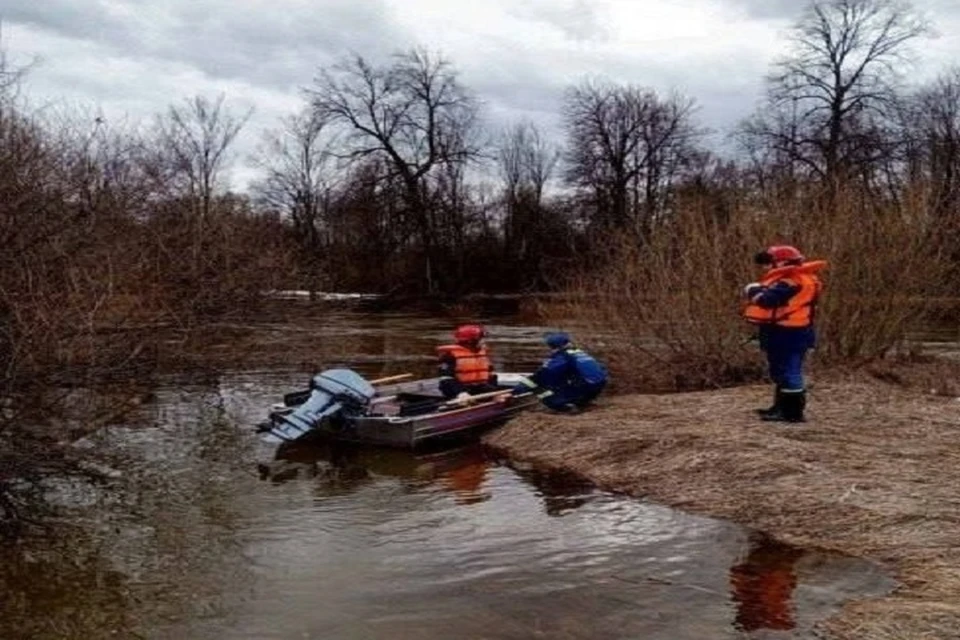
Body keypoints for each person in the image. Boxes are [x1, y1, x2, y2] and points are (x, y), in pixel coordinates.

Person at [742, 245, 827, 423]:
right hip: (790, 332)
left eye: (768, 263)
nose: (765, 267)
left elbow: (767, 301)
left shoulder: (791, 281)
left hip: (788, 333)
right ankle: (780, 408)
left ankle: (792, 413)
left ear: (782, 262)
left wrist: (752, 290)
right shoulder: (800, 278)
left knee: (790, 371)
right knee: (781, 370)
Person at [515, 332, 608, 412]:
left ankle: (565, 407)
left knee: (541, 390)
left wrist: (520, 388)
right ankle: (580, 403)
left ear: (553, 346)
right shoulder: (579, 352)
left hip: (585, 386)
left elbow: (543, 375)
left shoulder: (562, 357)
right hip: (598, 386)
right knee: (561, 381)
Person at [436, 324, 497, 399]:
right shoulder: (450, 355)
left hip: (479, 388)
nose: (483, 341)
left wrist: (493, 390)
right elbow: (446, 378)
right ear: (471, 341)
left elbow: (491, 374)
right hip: (457, 390)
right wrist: (460, 393)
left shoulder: (482, 352)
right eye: (481, 339)